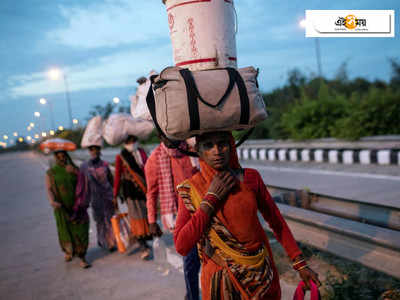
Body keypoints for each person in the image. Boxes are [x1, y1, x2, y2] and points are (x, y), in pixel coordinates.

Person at [174, 131, 321, 299]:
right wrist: (211, 200)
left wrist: (300, 264)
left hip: (262, 276)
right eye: (208, 146)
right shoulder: (190, 188)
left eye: (223, 144)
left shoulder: (250, 178)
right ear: (198, 151)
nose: (217, 151)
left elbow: (276, 222)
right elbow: (182, 245)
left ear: (231, 146)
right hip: (222, 282)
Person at [145, 136, 200, 300]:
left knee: (209, 257)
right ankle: (192, 296)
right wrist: (152, 220)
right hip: (179, 218)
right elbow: (152, 192)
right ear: (160, 135)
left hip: (202, 210)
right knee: (190, 259)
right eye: (164, 133)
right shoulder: (155, 159)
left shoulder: (192, 150)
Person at [45, 150, 90, 268]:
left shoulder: (74, 169)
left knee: (81, 231)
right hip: (61, 208)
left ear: (67, 156)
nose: (61, 159)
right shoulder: (51, 172)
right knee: (66, 232)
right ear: (55, 158)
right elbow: (49, 189)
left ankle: (82, 257)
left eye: (63, 156)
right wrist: (52, 201)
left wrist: (75, 172)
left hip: (78, 207)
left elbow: (85, 182)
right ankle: (69, 251)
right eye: (58, 157)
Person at [113, 135, 152, 259]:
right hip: (130, 193)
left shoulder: (141, 153)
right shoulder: (121, 157)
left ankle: (144, 241)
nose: (132, 143)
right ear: (124, 143)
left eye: (133, 140)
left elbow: (148, 169)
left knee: (145, 216)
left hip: (143, 191)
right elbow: (117, 176)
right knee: (136, 217)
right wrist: (115, 195)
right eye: (129, 141)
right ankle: (143, 246)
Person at [74, 145, 116, 251]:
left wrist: (115, 196)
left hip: (108, 197)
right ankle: (102, 240)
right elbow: (81, 183)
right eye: (92, 149)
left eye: (96, 149)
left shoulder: (105, 165)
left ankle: (111, 242)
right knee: (99, 220)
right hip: (95, 198)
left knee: (109, 220)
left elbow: (111, 180)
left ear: (99, 151)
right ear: (89, 151)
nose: (94, 151)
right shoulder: (84, 166)